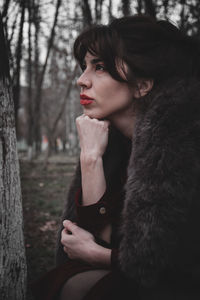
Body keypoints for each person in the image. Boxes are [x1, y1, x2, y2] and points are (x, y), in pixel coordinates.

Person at [31, 14, 200, 300]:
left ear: (142, 85)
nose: (81, 81)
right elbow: (87, 248)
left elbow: (181, 268)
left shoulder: (183, 149)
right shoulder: (114, 144)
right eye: (84, 67)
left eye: (99, 67)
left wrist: (103, 257)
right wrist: (90, 158)